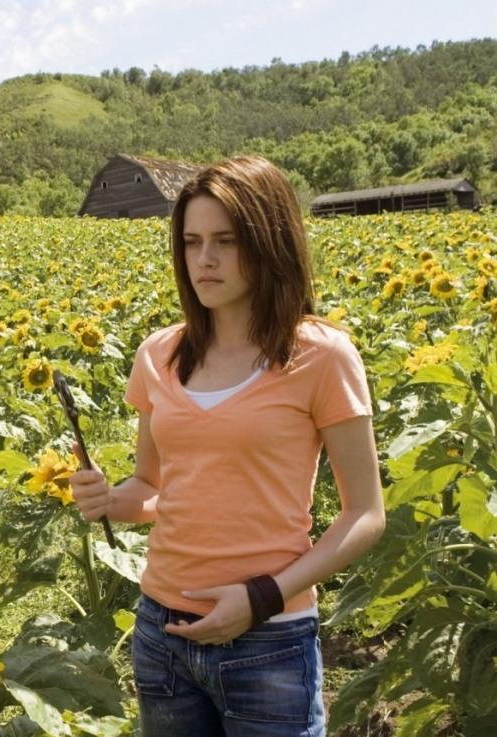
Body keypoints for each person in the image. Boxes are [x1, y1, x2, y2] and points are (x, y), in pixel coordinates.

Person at [69, 156, 386, 736]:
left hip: (268, 639)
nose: (204, 260)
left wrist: (262, 597)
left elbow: (365, 514)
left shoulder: (321, 356)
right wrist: (108, 499)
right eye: (191, 242)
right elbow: (151, 489)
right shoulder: (159, 354)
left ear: (270, 243)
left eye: (226, 241)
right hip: (162, 632)